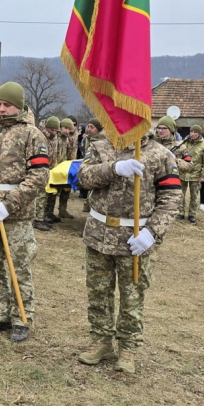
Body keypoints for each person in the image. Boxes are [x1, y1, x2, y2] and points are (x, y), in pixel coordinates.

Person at [77, 131, 181, 373]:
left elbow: (171, 197)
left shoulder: (160, 154)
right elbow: (83, 178)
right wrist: (113, 168)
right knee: (98, 292)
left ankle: (128, 347)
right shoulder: (100, 147)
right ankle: (101, 341)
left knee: (132, 296)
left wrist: (152, 232)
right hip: (99, 234)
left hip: (134, 238)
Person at [0, 81, 49, 343]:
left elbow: (39, 176)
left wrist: (10, 203)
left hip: (15, 214)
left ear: (18, 105)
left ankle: (21, 317)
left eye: (6, 105)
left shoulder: (32, 134)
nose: (1, 109)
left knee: (18, 266)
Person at [176, 125, 204, 223]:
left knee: (194, 196)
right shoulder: (184, 143)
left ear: (199, 134)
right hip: (182, 173)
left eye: (195, 132)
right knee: (180, 194)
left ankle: (192, 214)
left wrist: (203, 175)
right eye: (191, 132)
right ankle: (181, 212)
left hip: (196, 175)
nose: (193, 134)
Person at [33, 116, 59, 231]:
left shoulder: (54, 138)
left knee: (47, 195)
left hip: (50, 170)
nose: (54, 133)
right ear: (47, 128)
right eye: (52, 130)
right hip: (40, 169)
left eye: (56, 131)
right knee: (41, 196)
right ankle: (37, 220)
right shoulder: (40, 137)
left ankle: (43, 217)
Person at [80, 119, 106, 212]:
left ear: (98, 129)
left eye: (92, 127)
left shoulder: (103, 141)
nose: (89, 129)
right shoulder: (88, 139)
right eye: (88, 126)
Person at [56, 118, 75, 219]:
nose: (67, 131)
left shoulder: (67, 139)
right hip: (55, 169)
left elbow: (68, 153)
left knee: (65, 190)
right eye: (65, 128)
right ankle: (47, 213)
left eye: (69, 129)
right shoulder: (56, 138)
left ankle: (62, 210)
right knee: (52, 193)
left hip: (64, 168)